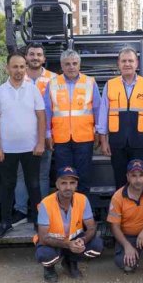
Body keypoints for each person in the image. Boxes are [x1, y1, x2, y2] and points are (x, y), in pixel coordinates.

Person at [0, 52, 46, 237]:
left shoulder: (33, 90)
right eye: (15, 66)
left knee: (34, 185)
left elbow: (41, 117)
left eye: (22, 66)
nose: (19, 70)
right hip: (7, 150)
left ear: (26, 68)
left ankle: (39, 222)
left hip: (31, 149)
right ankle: (6, 222)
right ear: (7, 68)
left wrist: (40, 143)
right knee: (7, 185)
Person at [98, 47, 143, 188]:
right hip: (117, 142)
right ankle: (121, 209)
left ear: (137, 63)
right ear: (118, 63)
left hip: (140, 141)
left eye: (130, 61)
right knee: (120, 179)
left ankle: (140, 209)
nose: (127, 64)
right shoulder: (110, 85)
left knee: (140, 180)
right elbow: (103, 115)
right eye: (124, 61)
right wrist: (103, 141)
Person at [34, 166, 105, 283]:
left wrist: (83, 240)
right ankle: (49, 268)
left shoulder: (82, 199)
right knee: (44, 254)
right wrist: (68, 244)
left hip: (73, 240)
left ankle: (70, 262)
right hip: (52, 242)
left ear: (76, 185)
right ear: (57, 184)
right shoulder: (45, 203)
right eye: (63, 183)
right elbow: (43, 237)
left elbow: (91, 227)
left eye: (72, 183)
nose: (68, 187)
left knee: (97, 246)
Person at [44, 49, 101, 194]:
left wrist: (99, 132)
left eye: (74, 63)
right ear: (61, 66)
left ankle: (82, 211)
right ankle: (66, 211)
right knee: (64, 177)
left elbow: (97, 109)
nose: (71, 67)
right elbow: (47, 111)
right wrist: (47, 134)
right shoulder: (52, 84)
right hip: (61, 138)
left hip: (84, 137)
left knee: (84, 176)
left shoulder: (90, 82)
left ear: (79, 65)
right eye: (67, 64)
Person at [13, 44, 57, 220]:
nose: (35, 58)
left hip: (43, 133)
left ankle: (41, 211)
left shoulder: (54, 79)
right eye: (31, 54)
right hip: (21, 134)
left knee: (42, 175)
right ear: (26, 57)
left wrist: (49, 134)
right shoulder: (16, 78)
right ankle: (21, 210)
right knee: (21, 174)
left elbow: (57, 108)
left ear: (44, 59)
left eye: (39, 55)